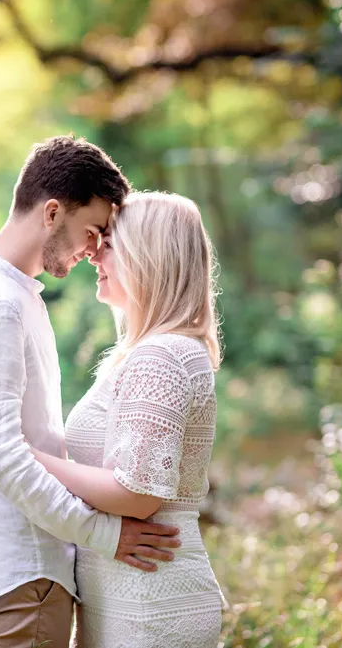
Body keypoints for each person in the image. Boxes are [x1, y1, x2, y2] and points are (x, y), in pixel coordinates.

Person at [0, 137, 183, 647]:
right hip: (26, 573)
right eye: (92, 231)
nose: (95, 250)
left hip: (17, 570)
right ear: (50, 213)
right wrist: (103, 534)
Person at [30, 191, 226, 647]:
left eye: (111, 243)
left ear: (148, 258)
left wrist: (30, 457)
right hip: (132, 596)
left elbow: (136, 495)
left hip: (150, 607)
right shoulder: (155, 351)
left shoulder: (161, 356)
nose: (94, 253)